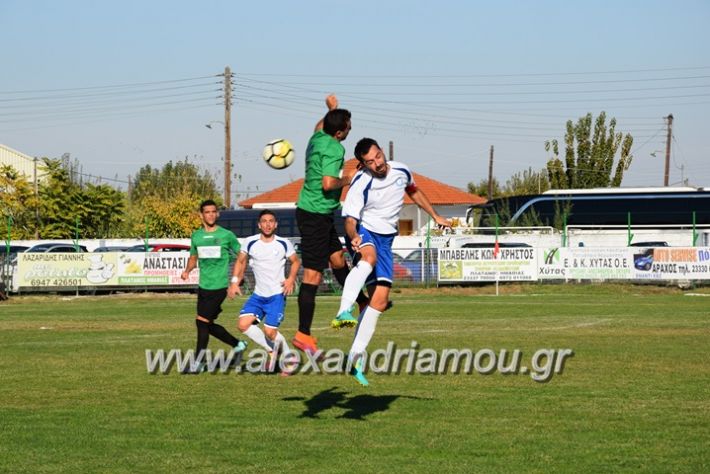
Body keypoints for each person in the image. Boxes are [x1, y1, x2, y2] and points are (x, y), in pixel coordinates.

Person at [335, 138, 451, 386]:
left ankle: (355, 357)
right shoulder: (361, 182)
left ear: (382, 152)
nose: (377, 163)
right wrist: (354, 237)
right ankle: (343, 311)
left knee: (379, 300)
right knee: (368, 257)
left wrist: (435, 215)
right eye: (370, 161)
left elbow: (414, 191)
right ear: (363, 165)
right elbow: (349, 220)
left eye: (378, 156)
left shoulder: (401, 170)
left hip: (386, 239)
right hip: (364, 231)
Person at [292, 94, 370, 355]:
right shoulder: (335, 149)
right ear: (339, 132)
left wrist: (332, 110)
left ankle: (361, 303)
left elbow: (319, 125)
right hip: (314, 215)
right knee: (313, 275)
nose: (350, 129)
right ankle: (303, 334)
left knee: (338, 260)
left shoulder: (317, 137)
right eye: (348, 126)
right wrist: (348, 178)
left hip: (320, 214)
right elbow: (328, 183)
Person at [180, 199, 247, 373]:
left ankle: (198, 363)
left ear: (217, 214)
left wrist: (235, 281)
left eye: (213, 211)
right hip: (203, 286)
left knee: (201, 322)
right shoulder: (197, 236)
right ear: (201, 215)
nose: (210, 214)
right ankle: (238, 344)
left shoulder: (226, 235)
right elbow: (194, 257)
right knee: (207, 324)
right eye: (207, 212)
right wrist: (187, 270)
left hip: (219, 287)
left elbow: (242, 256)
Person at [231, 210, 300, 374]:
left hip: (276, 295)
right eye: (264, 221)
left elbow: (296, 262)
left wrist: (290, 279)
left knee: (270, 331)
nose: (268, 224)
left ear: (275, 224)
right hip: (258, 295)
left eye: (271, 221)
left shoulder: (283, 243)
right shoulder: (250, 242)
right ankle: (271, 350)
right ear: (259, 224)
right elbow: (240, 261)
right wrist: (234, 282)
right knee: (242, 324)